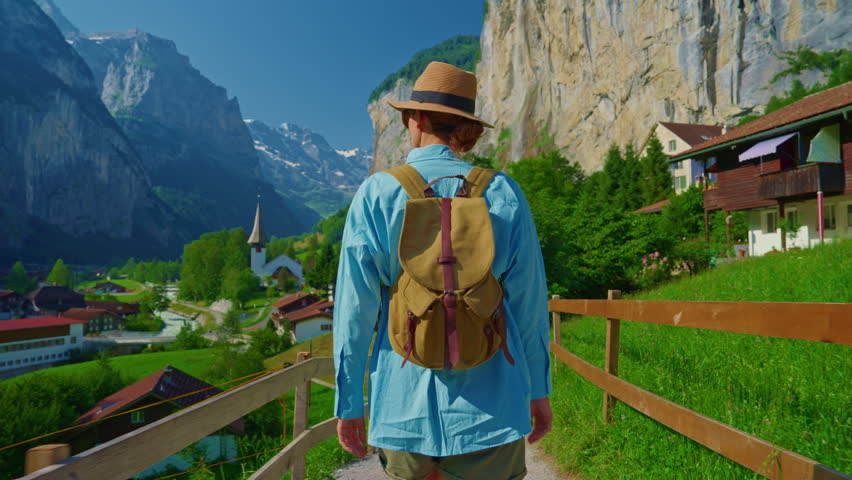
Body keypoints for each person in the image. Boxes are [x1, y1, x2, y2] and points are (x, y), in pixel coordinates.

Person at [334, 61, 552, 480]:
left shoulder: (377, 193)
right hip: (493, 418)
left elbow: (353, 312)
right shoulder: (503, 192)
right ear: (466, 128)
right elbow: (529, 306)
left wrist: (348, 405)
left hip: (402, 416)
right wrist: (538, 392)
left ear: (414, 119)